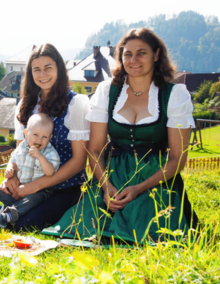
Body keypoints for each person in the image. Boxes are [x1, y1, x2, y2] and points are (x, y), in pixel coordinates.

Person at [42, 28, 199, 243]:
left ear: (156, 55)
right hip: (112, 174)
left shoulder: (174, 95)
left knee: (147, 231)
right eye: (127, 54)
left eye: (141, 53)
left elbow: (177, 157)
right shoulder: (108, 91)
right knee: (81, 229)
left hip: (154, 178)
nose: (133, 60)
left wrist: (138, 188)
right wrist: (106, 186)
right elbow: (95, 149)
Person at [0, 43, 91, 231]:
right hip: (28, 185)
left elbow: (79, 161)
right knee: (6, 220)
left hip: (66, 186)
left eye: (48, 68)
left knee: (23, 225)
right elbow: (19, 150)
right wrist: (12, 176)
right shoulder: (26, 104)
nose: (42, 74)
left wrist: (35, 186)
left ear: (59, 69)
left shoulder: (75, 103)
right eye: (36, 69)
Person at [0, 113, 60, 228]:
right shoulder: (22, 146)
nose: (39, 140)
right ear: (26, 133)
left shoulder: (50, 153)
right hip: (20, 185)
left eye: (44, 137)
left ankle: (9, 216)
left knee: (31, 200)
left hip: (39, 190)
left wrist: (40, 157)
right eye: (36, 135)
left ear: (50, 137)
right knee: (1, 191)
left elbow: (50, 173)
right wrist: (10, 169)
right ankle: (13, 212)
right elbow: (13, 160)